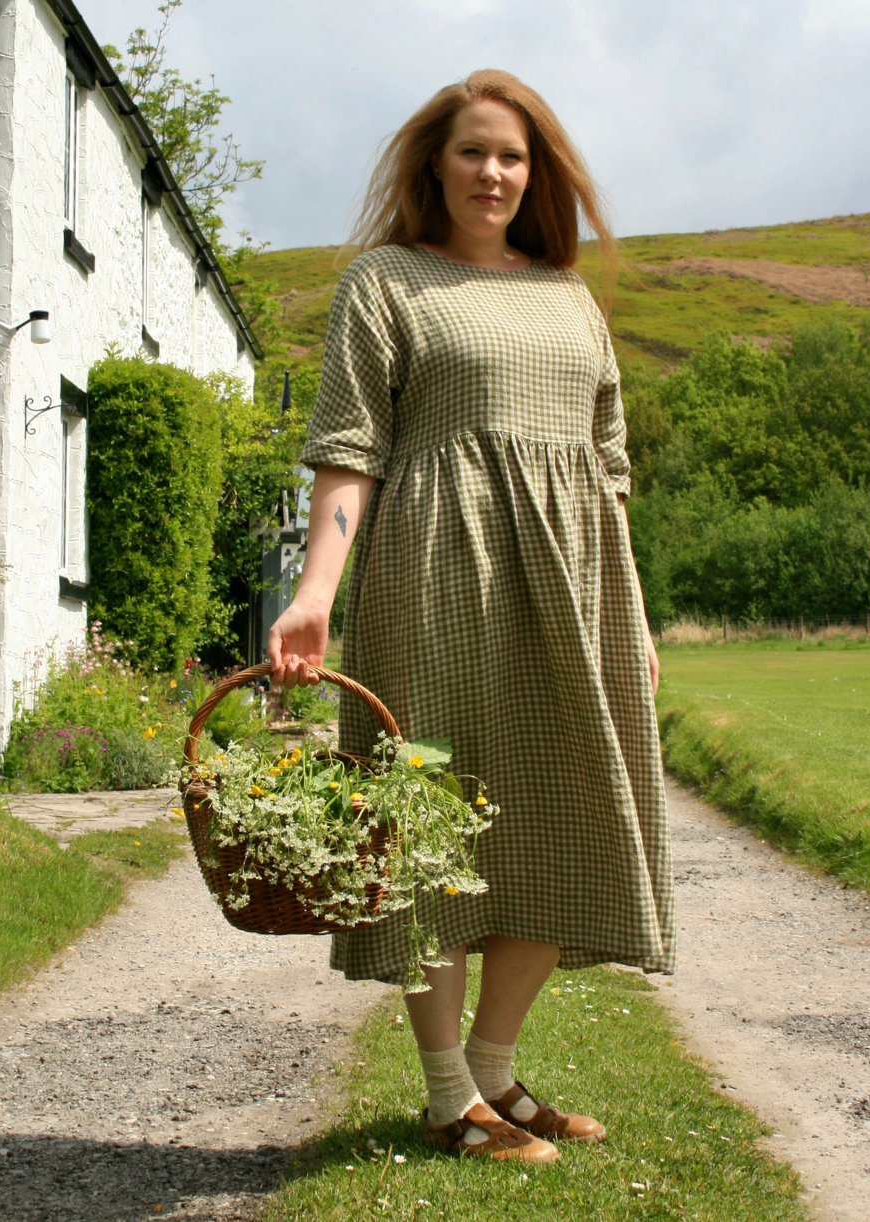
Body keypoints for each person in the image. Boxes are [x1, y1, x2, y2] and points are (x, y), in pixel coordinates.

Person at [268, 70, 675, 1165]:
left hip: (575, 587)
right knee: (430, 823)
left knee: (561, 810)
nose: (493, 173)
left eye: (513, 157)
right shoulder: (387, 282)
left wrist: (629, 615)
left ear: (536, 175)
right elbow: (350, 454)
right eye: (472, 152)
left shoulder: (569, 295)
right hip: (436, 575)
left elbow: (608, 467)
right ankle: (450, 1094)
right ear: (431, 166)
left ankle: (496, 1071)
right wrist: (315, 594)